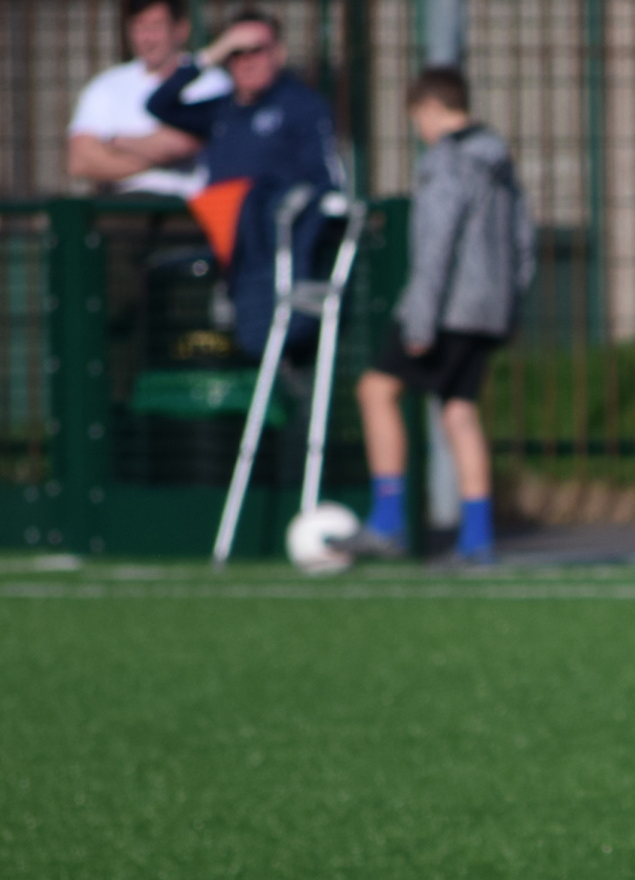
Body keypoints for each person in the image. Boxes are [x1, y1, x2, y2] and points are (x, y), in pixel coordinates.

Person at [329, 67, 534, 568]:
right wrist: (510, 307)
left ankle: (387, 520)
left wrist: (420, 320)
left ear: (431, 109)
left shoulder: (447, 161)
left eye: (416, 119)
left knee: (375, 389)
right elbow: (525, 243)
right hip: (489, 310)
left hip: (444, 308)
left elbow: (436, 245)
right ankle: (478, 541)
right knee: (459, 412)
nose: (417, 130)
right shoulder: (500, 160)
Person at [145, 8, 339, 359]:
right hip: (224, 256)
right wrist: (211, 53)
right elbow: (159, 103)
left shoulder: (301, 105)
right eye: (237, 53)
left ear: (278, 53)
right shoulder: (222, 109)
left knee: (273, 347)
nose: (246, 61)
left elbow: (324, 182)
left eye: (257, 50)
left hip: (276, 259)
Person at [66, 0, 231, 199]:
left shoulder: (211, 81)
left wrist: (115, 143)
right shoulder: (105, 85)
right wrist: (158, 153)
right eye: (138, 27)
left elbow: (183, 144)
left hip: (188, 208)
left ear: (181, 29)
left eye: (155, 27)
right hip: (123, 208)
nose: (146, 38)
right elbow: (81, 161)